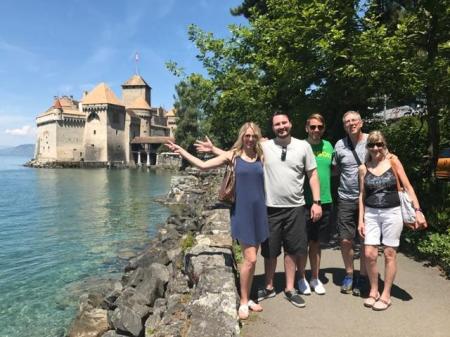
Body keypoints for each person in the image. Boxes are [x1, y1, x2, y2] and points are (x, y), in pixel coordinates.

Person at [195, 112, 322, 308]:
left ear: (291, 124)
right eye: (277, 124)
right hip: (269, 207)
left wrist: (316, 201)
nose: (281, 126)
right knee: (270, 252)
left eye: (284, 123)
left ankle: (289, 288)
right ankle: (269, 286)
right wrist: (213, 149)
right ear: (273, 128)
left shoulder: (303, 146)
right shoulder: (264, 146)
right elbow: (239, 156)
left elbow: (312, 175)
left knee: (292, 250)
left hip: (295, 206)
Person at [166, 122, 269, 320]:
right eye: (247, 136)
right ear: (242, 137)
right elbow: (203, 165)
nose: (250, 139)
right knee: (251, 259)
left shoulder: (260, 155)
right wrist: (181, 151)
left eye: (253, 136)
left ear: (257, 137)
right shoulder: (233, 156)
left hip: (259, 211)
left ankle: (247, 297)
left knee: (252, 258)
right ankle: (243, 301)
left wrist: (214, 148)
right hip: (242, 212)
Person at [357, 130, 427, 310]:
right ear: (368, 147)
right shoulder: (364, 168)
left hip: (392, 213)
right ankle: (374, 290)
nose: (375, 148)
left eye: (379, 144)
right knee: (369, 254)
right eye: (371, 144)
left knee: (389, 253)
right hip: (371, 214)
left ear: (384, 145)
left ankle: (386, 294)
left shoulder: (393, 162)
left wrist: (418, 210)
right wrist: (361, 220)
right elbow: (361, 196)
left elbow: (408, 187)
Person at [297, 113, 334, 295]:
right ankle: (301, 278)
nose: (316, 130)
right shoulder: (300, 147)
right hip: (304, 202)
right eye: (313, 127)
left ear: (323, 128)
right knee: (303, 242)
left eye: (319, 127)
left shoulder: (329, 146)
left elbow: (334, 170)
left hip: (325, 201)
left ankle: (315, 277)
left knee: (316, 243)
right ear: (307, 128)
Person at [332, 110, 368, 296]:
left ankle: (362, 276)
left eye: (354, 120)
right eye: (347, 121)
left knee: (364, 239)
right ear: (344, 125)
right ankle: (349, 273)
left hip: (368, 199)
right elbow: (335, 169)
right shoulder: (339, 145)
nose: (351, 123)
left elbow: (387, 163)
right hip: (346, 198)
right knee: (345, 239)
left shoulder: (372, 142)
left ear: (361, 123)